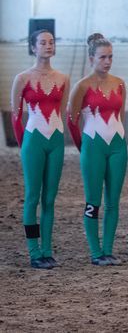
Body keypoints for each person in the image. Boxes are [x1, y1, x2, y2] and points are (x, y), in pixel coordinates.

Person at [9, 29, 70, 269]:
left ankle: (47, 249)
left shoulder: (63, 78)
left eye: (51, 42)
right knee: (33, 196)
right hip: (33, 139)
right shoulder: (23, 78)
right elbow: (16, 117)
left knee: (50, 198)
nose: (48, 45)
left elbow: (62, 111)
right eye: (43, 42)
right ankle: (34, 251)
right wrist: (25, 144)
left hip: (55, 139)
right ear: (33, 47)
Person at [67, 33, 127, 266]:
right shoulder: (81, 86)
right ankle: (95, 252)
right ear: (91, 58)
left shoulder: (120, 83)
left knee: (113, 201)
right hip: (92, 146)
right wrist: (83, 148)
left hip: (118, 146)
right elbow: (72, 121)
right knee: (93, 200)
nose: (107, 61)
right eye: (102, 57)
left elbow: (121, 117)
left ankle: (108, 250)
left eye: (110, 57)